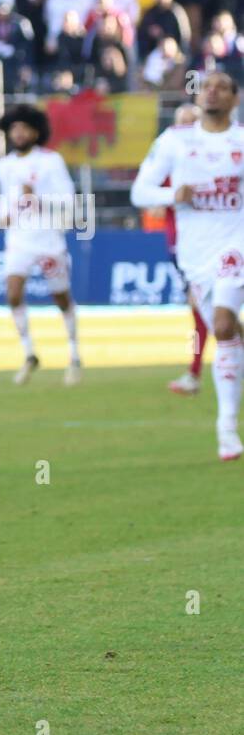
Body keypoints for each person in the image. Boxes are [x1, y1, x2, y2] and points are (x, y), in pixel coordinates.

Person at [132, 71, 244, 460]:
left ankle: (226, 427)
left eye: (222, 86)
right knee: (229, 335)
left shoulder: (242, 141)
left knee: (225, 324)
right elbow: (139, 191)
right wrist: (170, 193)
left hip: (236, 244)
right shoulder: (175, 142)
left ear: (235, 97)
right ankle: (229, 416)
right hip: (195, 255)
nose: (212, 90)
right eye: (206, 85)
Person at [0, 104, 82, 386]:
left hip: (48, 238)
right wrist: (4, 214)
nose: (18, 133)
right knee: (13, 293)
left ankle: (74, 354)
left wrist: (40, 199)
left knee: (60, 297)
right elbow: (6, 199)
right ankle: (30, 353)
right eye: (14, 128)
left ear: (36, 132)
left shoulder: (51, 161)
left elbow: (70, 201)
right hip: (19, 239)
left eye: (24, 128)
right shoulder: (3, 165)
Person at [156, 103, 211, 396]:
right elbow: (148, 193)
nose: (186, 128)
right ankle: (196, 371)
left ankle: (195, 372)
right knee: (207, 308)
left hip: (218, 241)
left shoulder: (219, 156)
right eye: (181, 122)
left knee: (207, 307)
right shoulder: (167, 159)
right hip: (181, 244)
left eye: (192, 122)